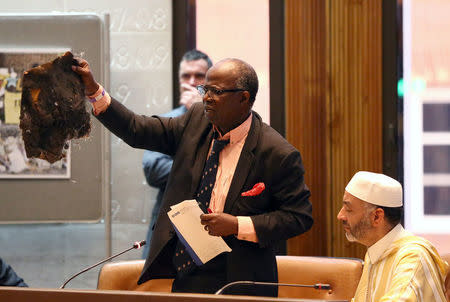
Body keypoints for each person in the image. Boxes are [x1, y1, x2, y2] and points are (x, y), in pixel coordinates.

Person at [72, 57, 313, 297]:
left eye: (216, 91)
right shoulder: (197, 120)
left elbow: (298, 217)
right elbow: (138, 129)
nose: (206, 97)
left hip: (241, 279)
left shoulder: (277, 153)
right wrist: (94, 91)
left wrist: (237, 225)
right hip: (187, 272)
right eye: (205, 89)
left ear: (244, 98)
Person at [142, 49, 212, 259]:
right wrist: (203, 168)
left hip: (210, 223)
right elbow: (153, 171)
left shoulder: (223, 123)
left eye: (199, 76)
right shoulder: (167, 121)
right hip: (169, 225)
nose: (191, 81)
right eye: (185, 76)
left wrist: (201, 114)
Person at [337, 171, 448, 302]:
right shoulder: (374, 252)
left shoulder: (413, 256)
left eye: (348, 209)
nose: (340, 216)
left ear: (377, 216)